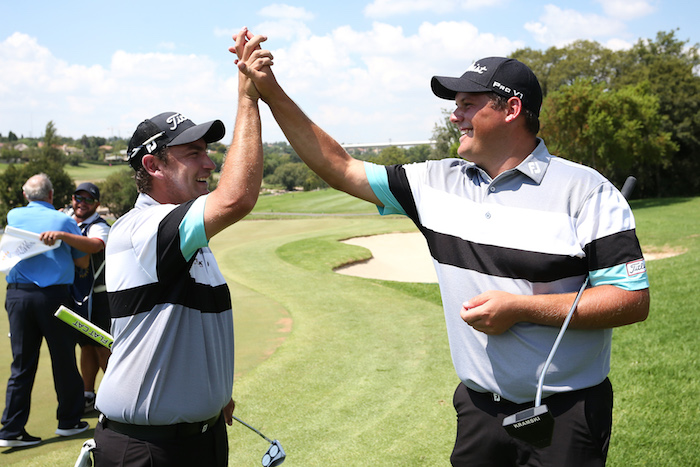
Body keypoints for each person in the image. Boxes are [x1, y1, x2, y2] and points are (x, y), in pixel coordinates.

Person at [237, 35, 651, 466]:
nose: (455, 116)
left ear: (511, 110)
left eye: (469, 104)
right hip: (479, 411)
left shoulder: (587, 192)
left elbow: (630, 301)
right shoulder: (435, 183)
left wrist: (521, 309)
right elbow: (338, 165)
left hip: (567, 414)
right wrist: (270, 92)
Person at [91, 28, 269, 467]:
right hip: (149, 449)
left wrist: (210, 395)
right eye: (193, 152)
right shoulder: (141, 229)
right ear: (153, 165)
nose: (209, 162)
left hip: (200, 439)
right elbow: (238, 197)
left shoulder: (186, 237)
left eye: (208, 150)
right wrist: (249, 97)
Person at [0, 173, 91, 447]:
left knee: (21, 364)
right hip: (53, 298)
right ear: (51, 195)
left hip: (17, 296)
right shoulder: (63, 220)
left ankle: (11, 430)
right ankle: (69, 421)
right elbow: (83, 262)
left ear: (26, 196)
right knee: (63, 360)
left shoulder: (13, 215)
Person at [40, 182, 111, 413]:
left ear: (97, 204)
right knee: (86, 346)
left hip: (99, 296)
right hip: (77, 296)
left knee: (103, 347)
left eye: (88, 200)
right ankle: (88, 395)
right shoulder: (68, 222)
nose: (81, 203)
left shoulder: (99, 225)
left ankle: (117, 395)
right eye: (77, 198)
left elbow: (95, 246)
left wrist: (62, 234)